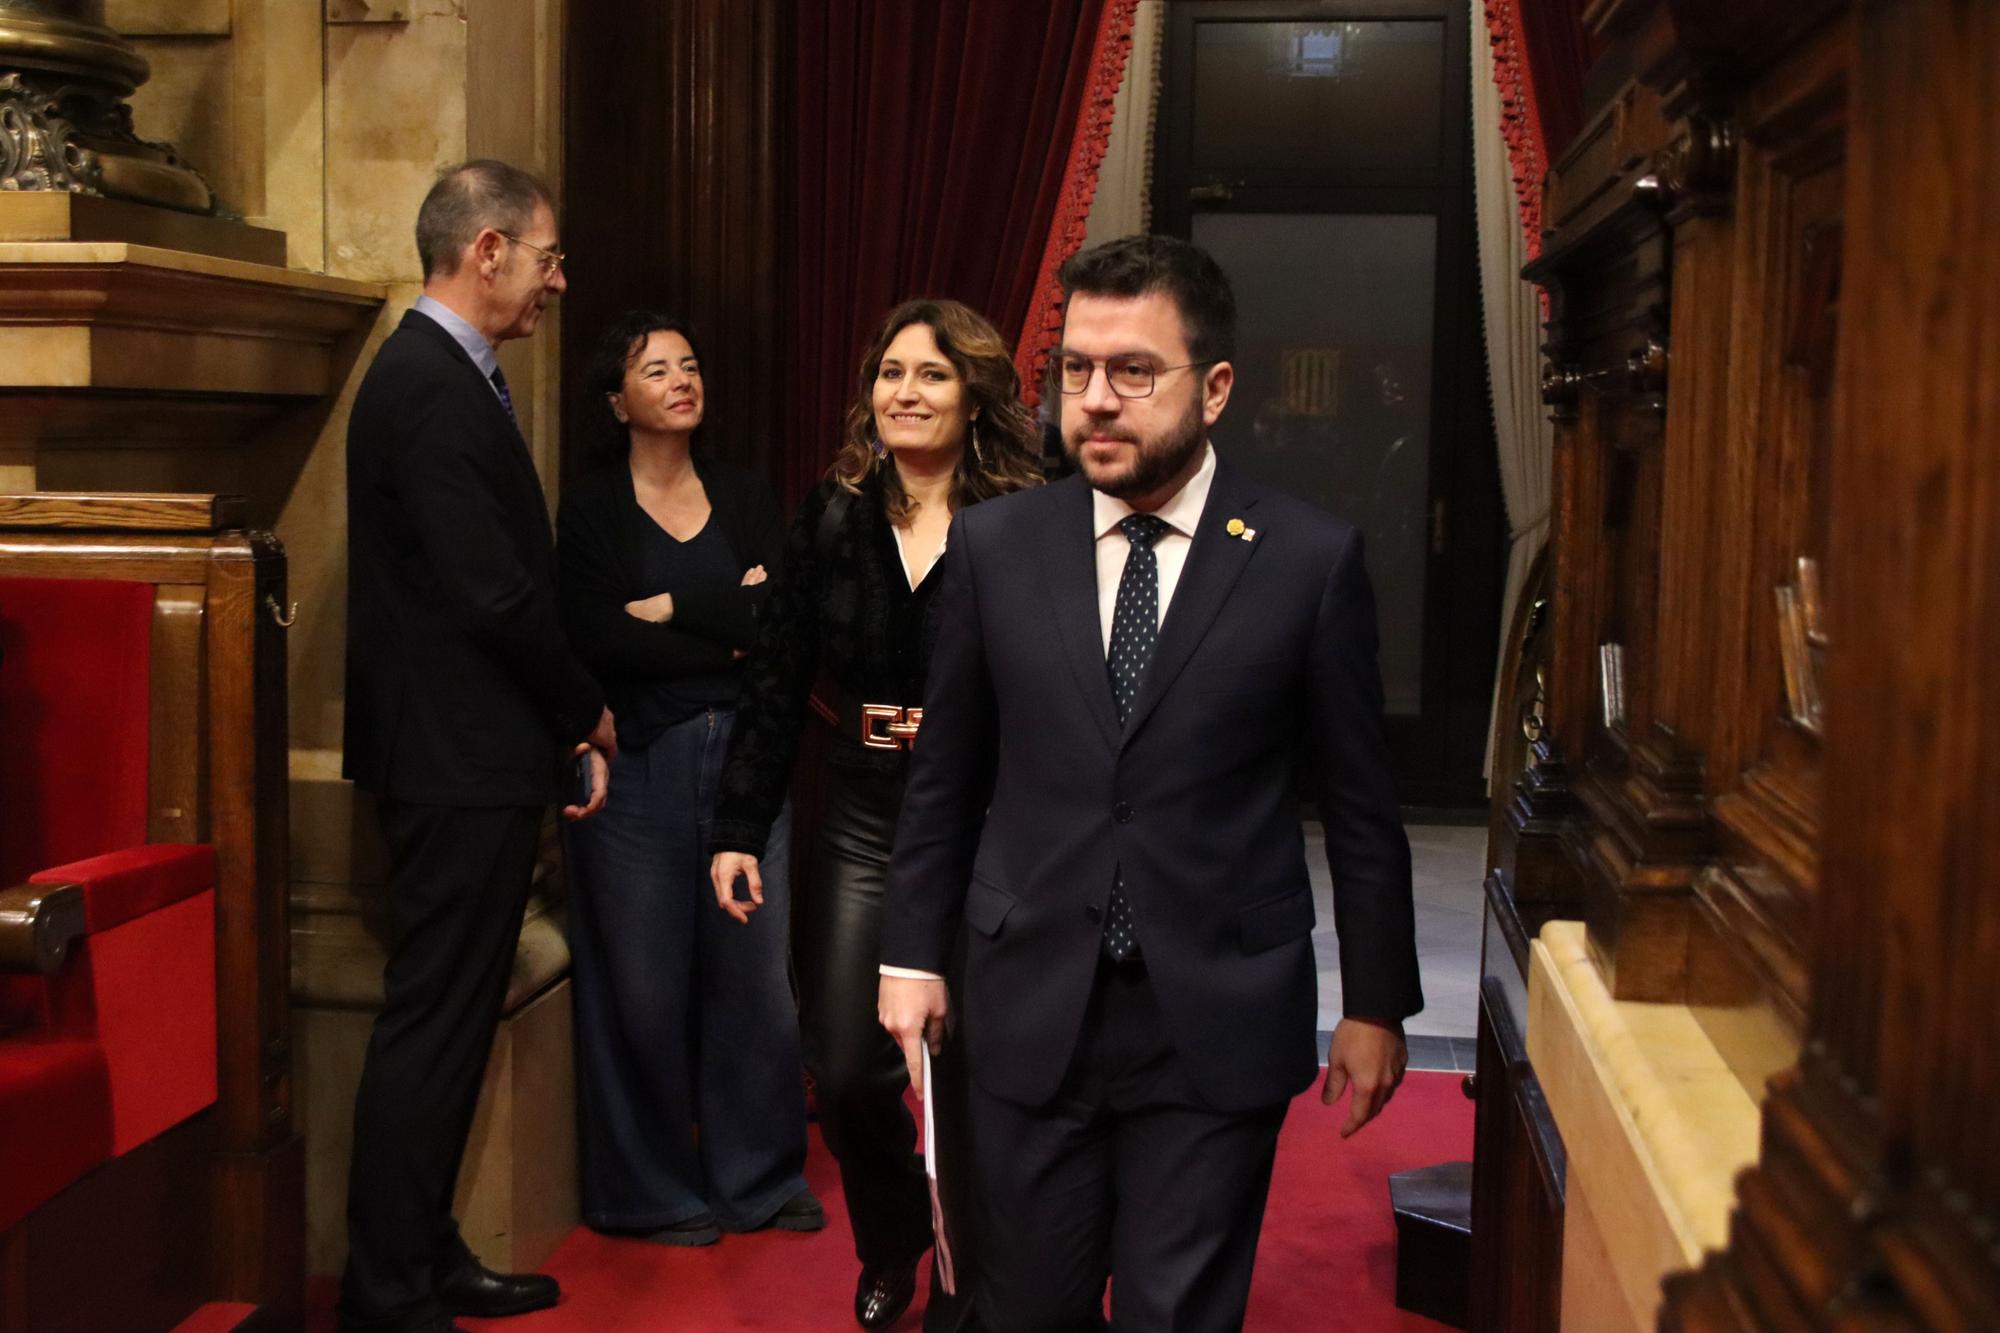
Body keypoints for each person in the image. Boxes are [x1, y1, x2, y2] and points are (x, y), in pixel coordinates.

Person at [878, 234, 1423, 1332]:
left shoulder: (1305, 561)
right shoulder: (998, 546)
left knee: (1176, 1315)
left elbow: (1361, 806)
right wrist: (908, 952)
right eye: (1075, 370)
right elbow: (946, 776)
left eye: (1133, 372)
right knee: (1024, 1310)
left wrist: (1375, 1001)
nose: (1095, 401)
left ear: (1213, 387)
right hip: (1026, 998)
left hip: (1213, 1010)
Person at [707, 299, 1044, 1330]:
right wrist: (734, 824)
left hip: (991, 814)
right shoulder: (836, 510)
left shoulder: (1028, 513)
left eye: (932, 375)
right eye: (891, 373)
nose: (905, 392)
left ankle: (971, 1279)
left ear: (975, 393)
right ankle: (895, 1235)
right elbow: (775, 674)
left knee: (976, 1064)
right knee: (849, 1066)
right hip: (858, 803)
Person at [341, 159, 616, 1333]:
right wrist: (583, 710)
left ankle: (423, 1252)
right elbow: (493, 595)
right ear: (488, 248)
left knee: (449, 1026)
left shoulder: (452, 374)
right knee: (434, 1024)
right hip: (456, 761)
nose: (558, 281)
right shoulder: (424, 381)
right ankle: (388, 1291)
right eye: (548, 256)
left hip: (468, 755)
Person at [555, 310, 822, 1245]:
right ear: (616, 400)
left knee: (755, 978)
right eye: (655, 368)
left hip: (746, 760)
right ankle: (649, 1189)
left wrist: (671, 606)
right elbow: (592, 635)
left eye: (690, 364)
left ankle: (759, 1177)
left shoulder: (745, 494)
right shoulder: (590, 508)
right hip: (639, 763)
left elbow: (783, 622)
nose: (680, 379)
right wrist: (727, 618)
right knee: (640, 981)